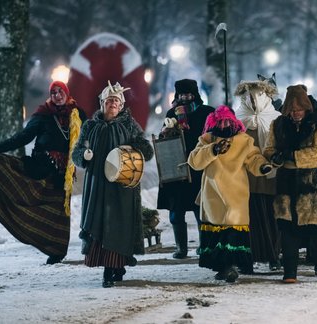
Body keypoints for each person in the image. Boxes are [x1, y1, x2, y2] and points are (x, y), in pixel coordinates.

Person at [0, 81, 86, 264]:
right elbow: (23, 137)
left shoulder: (78, 115)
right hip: (40, 169)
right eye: (53, 92)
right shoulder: (43, 115)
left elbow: (88, 137)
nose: (57, 95)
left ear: (67, 93)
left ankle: (56, 251)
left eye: (60, 91)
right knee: (31, 204)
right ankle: (33, 235)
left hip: (63, 175)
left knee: (59, 213)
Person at [72, 81, 154, 288]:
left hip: (121, 186)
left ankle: (113, 268)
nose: (113, 104)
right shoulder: (90, 126)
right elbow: (76, 153)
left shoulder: (129, 124)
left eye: (116, 101)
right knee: (100, 223)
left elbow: (147, 150)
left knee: (118, 225)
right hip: (97, 185)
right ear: (102, 103)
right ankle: (111, 267)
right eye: (109, 101)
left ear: (121, 104)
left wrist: (134, 148)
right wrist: (84, 155)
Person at [188, 105, 272, 282]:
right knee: (217, 231)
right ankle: (222, 267)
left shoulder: (244, 140)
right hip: (213, 193)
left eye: (228, 120)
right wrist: (213, 150)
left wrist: (262, 166)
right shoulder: (207, 139)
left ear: (234, 122)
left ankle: (231, 266)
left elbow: (253, 157)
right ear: (215, 122)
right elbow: (194, 161)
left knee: (233, 229)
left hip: (236, 192)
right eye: (221, 121)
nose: (225, 124)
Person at [263, 84, 317, 284]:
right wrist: (275, 157)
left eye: (299, 110)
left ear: (306, 108)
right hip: (287, 184)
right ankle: (290, 271)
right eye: (292, 110)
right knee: (288, 228)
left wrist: (291, 156)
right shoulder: (278, 124)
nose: (295, 114)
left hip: (315, 183)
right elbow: (268, 149)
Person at [157, 79, 215, 259]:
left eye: (188, 94)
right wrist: (164, 134)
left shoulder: (207, 112)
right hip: (177, 170)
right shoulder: (171, 113)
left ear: (195, 94)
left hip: (199, 169)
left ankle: (203, 246)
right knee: (176, 213)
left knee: (200, 212)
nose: (185, 97)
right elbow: (163, 138)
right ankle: (181, 248)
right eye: (182, 94)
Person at [234, 80, 282, 271]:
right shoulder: (237, 119)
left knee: (271, 216)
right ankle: (248, 258)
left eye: (257, 97)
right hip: (244, 178)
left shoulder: (275, 118)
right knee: (248, 218)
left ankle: (273, 256)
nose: (253, 102)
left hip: (270, 176)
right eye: (249, 98)